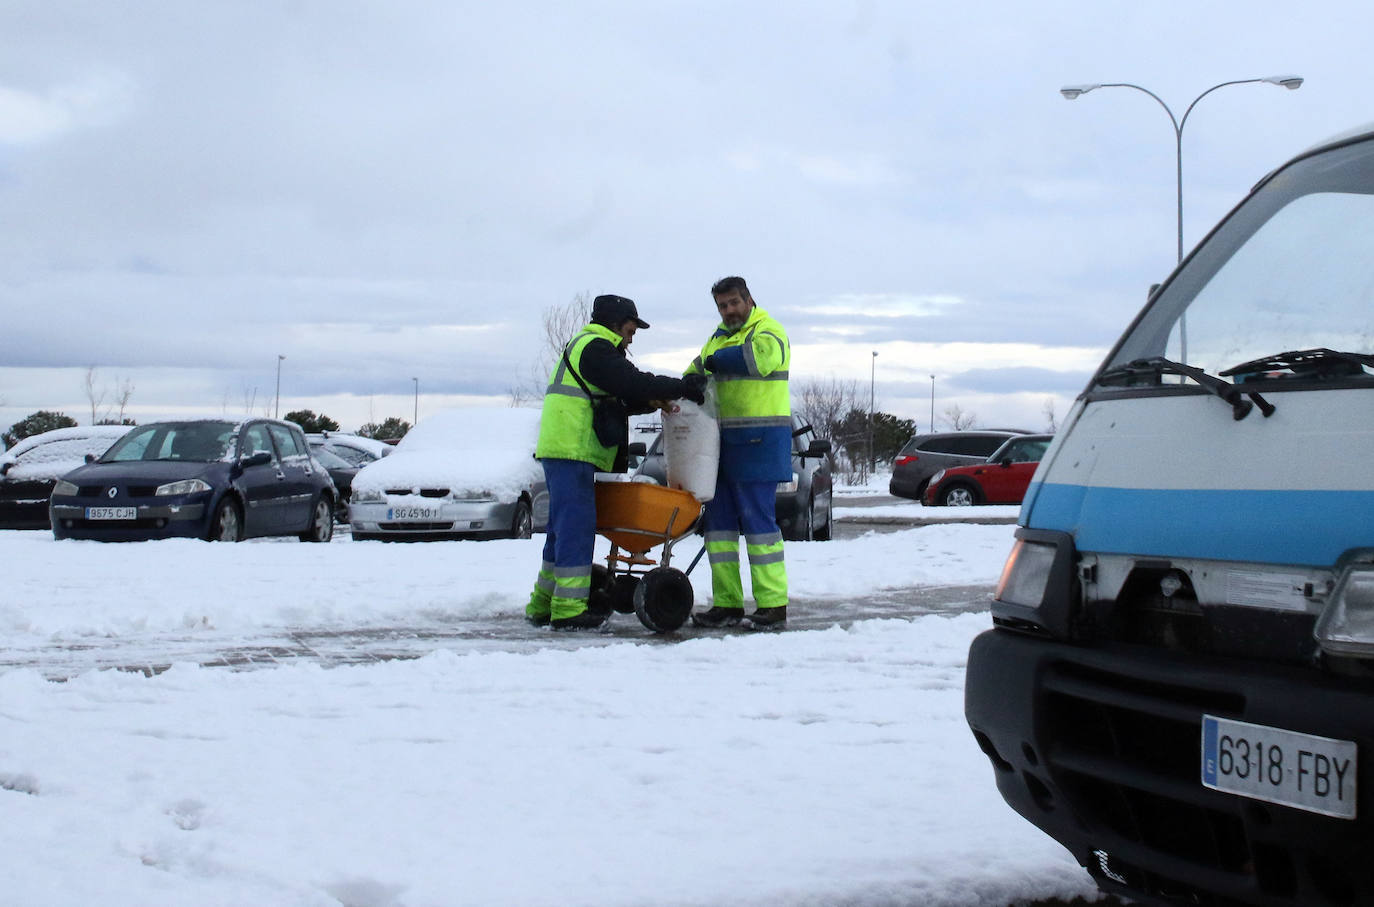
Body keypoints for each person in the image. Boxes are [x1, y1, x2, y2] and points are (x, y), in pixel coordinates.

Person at [528, 294, 707, 630]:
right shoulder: (596, 347)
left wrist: (654, 401)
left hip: (563, 449)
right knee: (575, 527)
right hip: (572, 450)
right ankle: (567, 610)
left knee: (561, 528)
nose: (631, 336)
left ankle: (543, 603)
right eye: (630, 328)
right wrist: (682, 387)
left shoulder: (586, 348)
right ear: (614, 321)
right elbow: (632, 382)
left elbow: (620, 398)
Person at [686, 276, 792, 630]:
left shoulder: (768, 330)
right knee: (719, 529)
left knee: (759, 526)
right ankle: (727, 604)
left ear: (748, 299)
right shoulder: (717, 338)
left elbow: (757, 359)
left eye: (733, 303)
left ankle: (773, 604)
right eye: (722, 306)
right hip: (721, 449)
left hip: (759, 443)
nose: (729, 311)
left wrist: (714, 360)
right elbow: (692, 374)